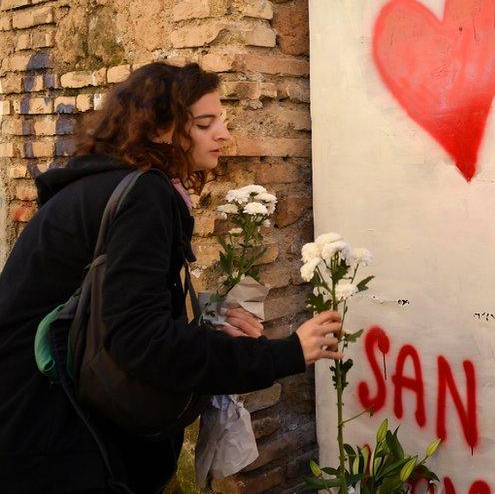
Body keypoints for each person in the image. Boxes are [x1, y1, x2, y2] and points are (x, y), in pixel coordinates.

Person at [0, 62, 340, 492]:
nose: (224, 134)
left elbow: (113, 307)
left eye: (222, 120)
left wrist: (208, 319)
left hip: (32, 426)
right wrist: (286, 354)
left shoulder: (102, 184)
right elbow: (141, 341)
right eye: (205, 122)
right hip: (59, 443)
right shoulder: (144, 195)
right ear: (160, 129)